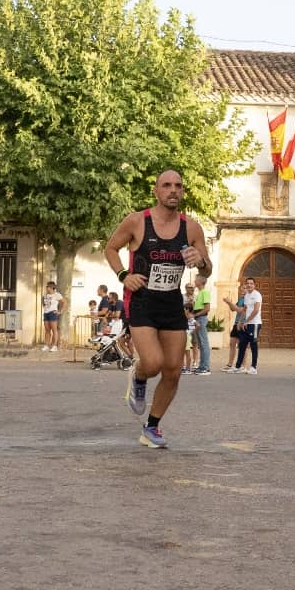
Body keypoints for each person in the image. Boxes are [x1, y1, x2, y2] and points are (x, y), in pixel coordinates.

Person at [105, 169, 212, 449]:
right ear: (156, 191)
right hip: (141, 300)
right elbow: (110, 248)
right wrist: (123, 275)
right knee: (153, 363)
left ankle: (151, 427)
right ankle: (139, 375)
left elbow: (207, 269)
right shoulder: (137, 221)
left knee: (173, 370)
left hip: (172, 302)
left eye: (178, 185)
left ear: (183, 191)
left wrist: (201, 261)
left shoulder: (192, 228)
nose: (173, 190)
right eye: (166, 185)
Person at [233, 277, 262, 375]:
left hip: (255, 324)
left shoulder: (257, 295)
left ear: (254, 285)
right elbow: (245, 309)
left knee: (253, 345)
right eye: (248, 283)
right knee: (242, 344)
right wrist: (240, 322)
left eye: (251, 283)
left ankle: (254, 367)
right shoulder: (246, 296)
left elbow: (256, 310)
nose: (249, 285)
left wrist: (247, 321)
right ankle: (238, 367)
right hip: (246, 324)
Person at [221, 287, 246, 372]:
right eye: (241, 288)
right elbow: (233, 309)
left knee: (242, 345)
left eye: (244, 288)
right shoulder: (241, 299)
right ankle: (230, 364)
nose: (242, 290)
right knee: (232, 343)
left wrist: (230, 302)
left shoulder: (247, 300)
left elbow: (240, 310)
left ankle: (243, 366)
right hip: (236, 324)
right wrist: (228, 303)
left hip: (242, 324)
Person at [191, 274, 212, 375]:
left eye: (196, 280)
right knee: (201, 344)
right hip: (198, 319)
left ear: (200, 282)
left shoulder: (205, 292)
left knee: (204, 343)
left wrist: (195, 315)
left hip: (201, 319)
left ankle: (205, 368)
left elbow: (207, 308)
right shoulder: (199, 293)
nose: (194, 281)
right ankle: (202, 366)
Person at [41, 282, 64, 352]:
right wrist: (45, 308)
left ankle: (54, 346)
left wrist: (60, 311)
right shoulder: (45, 295)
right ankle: (46, 345)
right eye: (47, 287)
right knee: (47, 330)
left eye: (48, 287)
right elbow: (43, 302)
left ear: (52, 288)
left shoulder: (57, 295)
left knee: (54, 330)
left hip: (53, 313)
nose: (47, 288)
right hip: (46, 313)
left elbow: (64, 302)